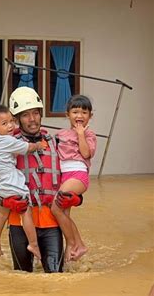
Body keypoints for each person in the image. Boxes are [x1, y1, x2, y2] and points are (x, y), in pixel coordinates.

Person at [0, 87, 83, 273]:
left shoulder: (57, 142)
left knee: (55, 276)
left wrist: (77, 199)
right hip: (19, 222)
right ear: (17, 119)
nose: (32, 118)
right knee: (22, 276)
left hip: (51, 222)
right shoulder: (5, 144)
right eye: (26, 115)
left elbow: (74, 175)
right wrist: (3, 200)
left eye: (36, 113)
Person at [0, 104, 44, 260]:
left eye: (11, 121)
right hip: (10, 182)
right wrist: (39, 145)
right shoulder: (7, 141)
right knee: (26, 210)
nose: (10, 126)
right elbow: (27, 147)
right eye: (4, 123)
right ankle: (33, 244)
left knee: (3, 212)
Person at [51, 95, 96, 262]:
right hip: (64, 177)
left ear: (90, 116)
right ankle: (71, 253)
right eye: (75, 111)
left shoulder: (89, 135)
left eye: (84, 112)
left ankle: (76, 243)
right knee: (64, 215)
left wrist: (81, 134)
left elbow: (85, 153)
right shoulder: (60, 134)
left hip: (78, 175)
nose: (79, 116)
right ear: (67, 114)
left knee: (55, 208)